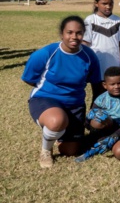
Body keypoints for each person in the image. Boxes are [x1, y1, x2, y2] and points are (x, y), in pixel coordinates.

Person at [21, 16, 102, 168]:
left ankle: (59, 133)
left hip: (75, 105)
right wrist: (52, 90)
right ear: (61, 34)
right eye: (69, 32)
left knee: (71, 151)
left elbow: (96, 85)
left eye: (78, 33)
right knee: (57, 120)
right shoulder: (46, 53)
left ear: (83, 34)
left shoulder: (89, 56)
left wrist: (94, 108)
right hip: (45, 99)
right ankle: (46, 150)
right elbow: (29, 78)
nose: (74, 37)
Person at [81, 67, 120, 161]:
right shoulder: (100, 99)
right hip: (107, 129)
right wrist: (88, 120)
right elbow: (89, 123)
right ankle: (102, 140)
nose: (116, 86)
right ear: (105, 85)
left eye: (119, 83)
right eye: (112, 84)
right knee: (97, 120)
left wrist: (115, 136)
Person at [83, 0, 120, 79]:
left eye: (111, 4)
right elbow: (85, 44)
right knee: (98, 92)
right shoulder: (90, 20)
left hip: (115, 65)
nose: (108, 6)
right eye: (104, 3)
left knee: (114, 91)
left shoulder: (118, 21)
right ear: (96, 3)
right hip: (97, 65)